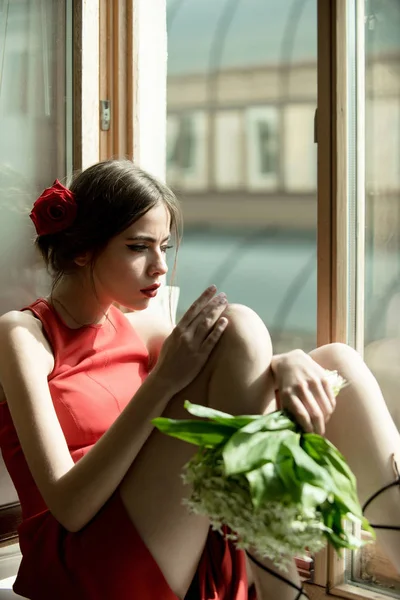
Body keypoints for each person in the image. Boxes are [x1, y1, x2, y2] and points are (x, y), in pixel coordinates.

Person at [0, 159, 399, 600]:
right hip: (86, 557)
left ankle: (277, 560)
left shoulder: (146, 328)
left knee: (338, 363)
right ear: (82, 250)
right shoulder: (24, 335)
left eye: (164, 248)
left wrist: (287, 361)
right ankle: (275, 583)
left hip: (170, 529)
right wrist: (162, 380)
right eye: (138, 247)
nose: (160, 267)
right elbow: (70, 507)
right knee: (241, 323)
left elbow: (238, 372)